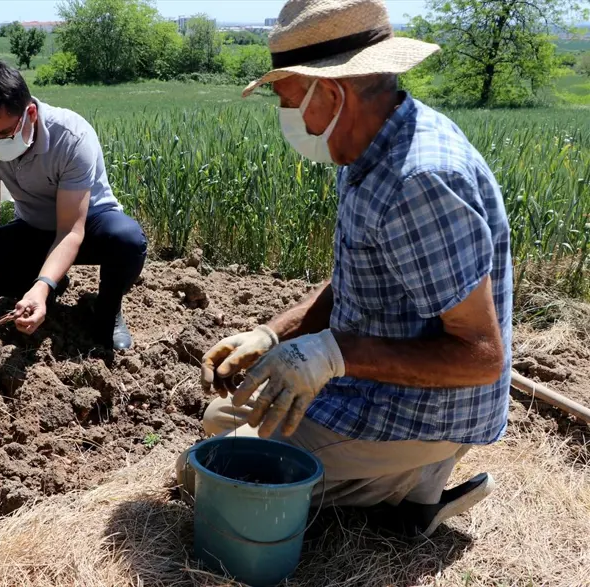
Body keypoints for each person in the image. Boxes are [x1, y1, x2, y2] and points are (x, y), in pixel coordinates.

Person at [178, 0, 513, 539]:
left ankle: (410, 482)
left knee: (209, 475)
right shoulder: (366, 146)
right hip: (374, 381)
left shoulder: (419, 180)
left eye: (287, 101)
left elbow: (480, 358)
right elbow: (363, 274)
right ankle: (407, 480)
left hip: (422, 405)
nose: (287, 118)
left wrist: (333, 354)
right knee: (222, 420)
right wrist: (272, 334)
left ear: (330, 93)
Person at [0, 59, 147, 350]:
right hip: (35, 227)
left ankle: (107, 310)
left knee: (127, 241)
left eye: (3, 135)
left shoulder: (71, 137)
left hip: (89, 227)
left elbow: (70, 230)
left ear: (29, 113)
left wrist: (41, 286)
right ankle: (50, 284)